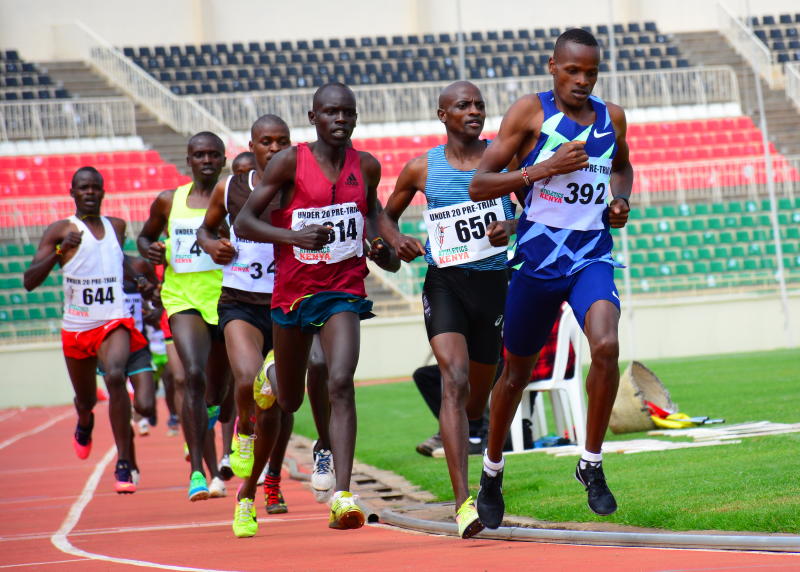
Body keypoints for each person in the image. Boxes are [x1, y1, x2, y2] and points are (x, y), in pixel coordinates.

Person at [469, 28, 633, 526]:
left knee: (605, 346)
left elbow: (622, 168)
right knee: (514, 376)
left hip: (590, 256)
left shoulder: (612, 118)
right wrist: (543, 169)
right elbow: (480, 184)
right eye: (573, 70)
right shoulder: (530, 113)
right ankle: (492, 471)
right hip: (537, 263)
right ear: (553, 66)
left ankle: (591, 463)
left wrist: (622, 200)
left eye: (591, 72)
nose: (582, 81)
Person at [234, 82, 399, 533]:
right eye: (330, 112)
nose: (340, 119)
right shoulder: (291, 162)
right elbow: (244, 221)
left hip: (343, 287)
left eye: (347, 112)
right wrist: (293, 237)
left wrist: (384, 247)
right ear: (313, 117)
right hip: (293, 293)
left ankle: (344, 495)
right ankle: (270, 376)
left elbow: (371, 215)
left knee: (340, 379)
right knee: (288, 400)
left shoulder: (365, 165)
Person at [378, 81, 516, 538]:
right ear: (443, 115)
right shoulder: (421, 168)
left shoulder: (503, 157)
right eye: (463, 105)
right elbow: (384, 214)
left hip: (493, 283)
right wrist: (395, 240)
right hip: (444, 282)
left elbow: (537, 206)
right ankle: (463, 505)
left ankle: (470, 430)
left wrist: (510, 224)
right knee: (452, 379)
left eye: (478, 104)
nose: (473, 111)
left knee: (477, 395)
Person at [23, 166, 149, 493]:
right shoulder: (60, 230)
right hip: (77, 327)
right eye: (83, 188)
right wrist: (60, 250)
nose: (90, 193)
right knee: (86, 400)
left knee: (117, 375)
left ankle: (123, 462)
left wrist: (140, 281)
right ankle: (85, 421)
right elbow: (29, 281)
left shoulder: (117, 227)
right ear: (73, 193)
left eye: (95, 187)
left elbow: (117, 261)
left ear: (103, 192)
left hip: (113, 319)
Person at [196, 115, 295, 508]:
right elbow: (206, 231)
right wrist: (211, 246)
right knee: (249, 379)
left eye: (281, 141)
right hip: (240, 300)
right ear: (252, 146)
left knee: (280, 400)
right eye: (266, 141)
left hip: (286, 303)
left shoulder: (299, 188)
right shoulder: (231, 187)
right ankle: (243, 432)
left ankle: (267, 478)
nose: (273, 148)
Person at [137, 131, 231, 501]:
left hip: (226, 299)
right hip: (182, 298)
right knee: (192, 373)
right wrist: (153, 251)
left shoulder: (233, 198)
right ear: (189, 161)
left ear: (223, 159)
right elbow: (144, 239)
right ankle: (195, 472)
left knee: (220, 392)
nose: (206, 160)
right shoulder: (168, 201)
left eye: (212, 155)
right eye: (199, 155)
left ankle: (208, 426)